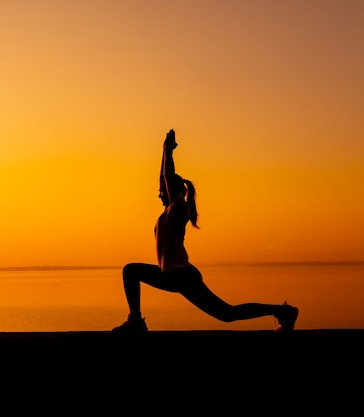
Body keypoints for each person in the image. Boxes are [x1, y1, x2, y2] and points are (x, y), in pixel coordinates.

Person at [112, 129, 299, 333]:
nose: (158, 194)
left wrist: (168, 152)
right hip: (170, 274)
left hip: (181, 275)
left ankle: (282, 312)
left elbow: (167, 176)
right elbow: (164, 178)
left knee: (227, 314)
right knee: (130, 270)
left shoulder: (179, 209)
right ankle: (136, 321)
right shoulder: (168, 211)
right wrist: (163, 152)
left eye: (162, 191)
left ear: (173, 192)